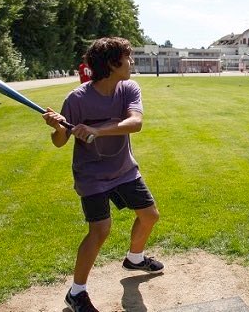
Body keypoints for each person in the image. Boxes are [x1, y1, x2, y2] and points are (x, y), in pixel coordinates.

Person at [42, 37, 163, 312]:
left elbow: (136, 122)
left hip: (124, 170)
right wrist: (59, 128)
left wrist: (98, 130)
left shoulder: (128, 88)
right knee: (100, 229)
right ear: (112, 63)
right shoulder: (77, 99)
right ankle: (77, 292)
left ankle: (134, 258)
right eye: (127, 58)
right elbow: (60, 141)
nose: (131, 62)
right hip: (92, 176)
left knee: (149, 216)